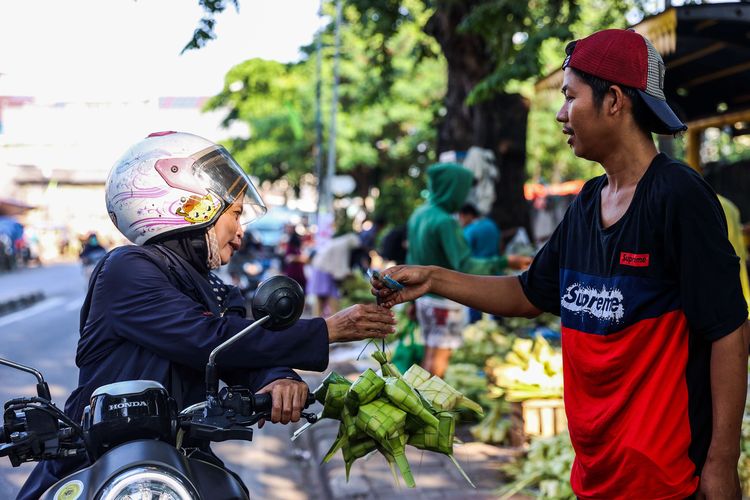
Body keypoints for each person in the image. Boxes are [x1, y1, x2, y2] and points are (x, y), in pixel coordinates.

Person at [373, 29, 749, 498]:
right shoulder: (589, 201)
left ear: (614, 100)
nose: (560, 113)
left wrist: (719, 466)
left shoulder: (678, 196)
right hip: (596, 470)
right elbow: (530, 293)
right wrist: (431, 278)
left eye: (571, 97)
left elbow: (728, 331)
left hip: (666, 476)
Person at [18, 131, 396, 499]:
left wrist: (278, 378)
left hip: (182, 455)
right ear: (190, 207)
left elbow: (242, 343)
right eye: (234, 214)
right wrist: (326, 330)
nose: (240, 233)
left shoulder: (215, 289)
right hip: (96, 455)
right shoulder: (126, 268)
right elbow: (206, 338)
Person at [406, 162, 531, 377]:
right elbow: (465, 265)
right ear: (452, 189)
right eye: (463, 191)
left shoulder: (420, 214)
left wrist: (411, 300)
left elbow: (410, 260)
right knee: (439, 360)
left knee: (429, 354)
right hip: (443, 299)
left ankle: (420, 404)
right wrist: (505, 262)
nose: (464, 198)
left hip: (423, 298)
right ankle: (431, 407)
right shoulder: (445, 222)